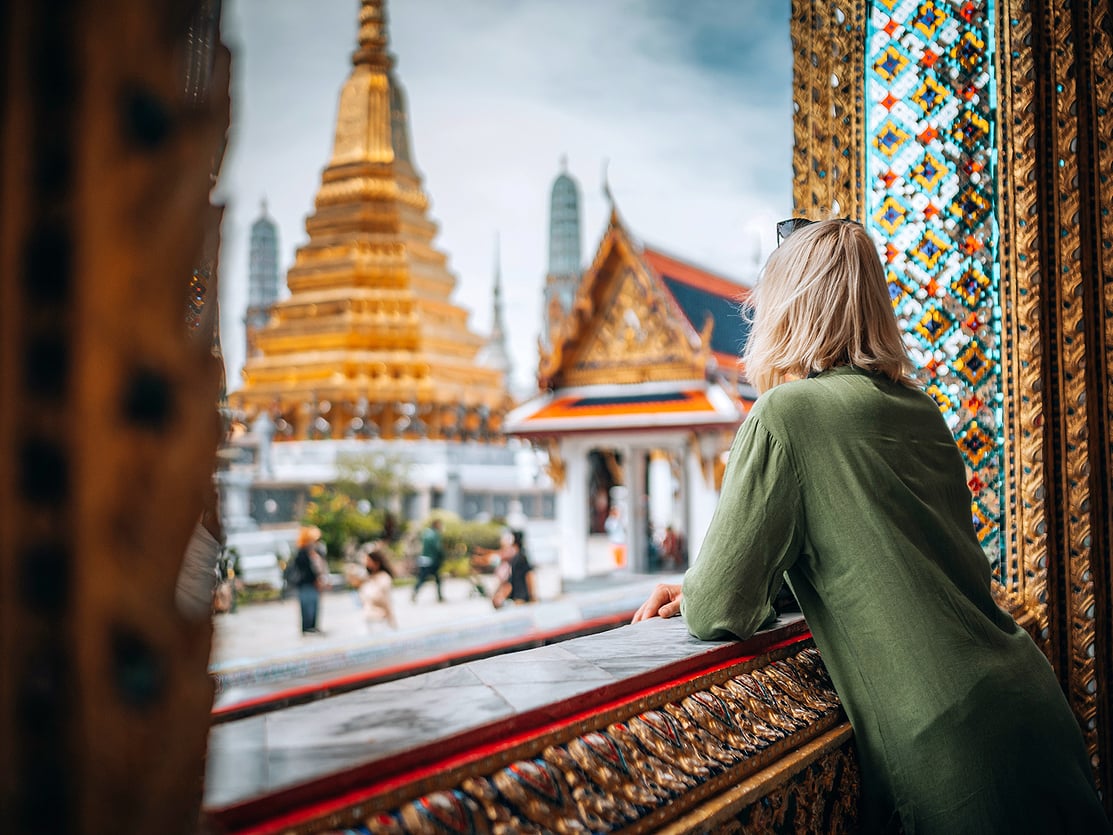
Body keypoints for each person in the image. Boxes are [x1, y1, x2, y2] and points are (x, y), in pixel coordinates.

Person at [632, 218, 1110, 834]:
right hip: (1034, 707)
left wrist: (696, 588)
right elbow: (875, 550)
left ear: (786, 308)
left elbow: (720, 606)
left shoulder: (785, 415)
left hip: (953, 749)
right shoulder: (922, 410)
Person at [291, 525, 325, 634]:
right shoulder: (302, 552)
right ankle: (307, 627)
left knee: (314, 605)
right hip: (306, 583)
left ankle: (313, 625)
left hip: (314, 583)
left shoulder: (316, 551)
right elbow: (304, 569)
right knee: (306, 605)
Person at [491, 529, 535, 609]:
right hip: (522, 599)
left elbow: (512, 580)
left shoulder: (517, 558)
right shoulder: (521, 557)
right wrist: (532, 596)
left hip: (519, 598)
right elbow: (528, 576)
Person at [358, 545, 397, 631]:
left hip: (380, 618)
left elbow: (384, 600)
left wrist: (391, 620)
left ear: (376, 562)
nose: (366, 563)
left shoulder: (384, 578)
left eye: (369, 561)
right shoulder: (368, 578)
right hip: (368, 618)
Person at [411, 518, 445, 603]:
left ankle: (415, 592)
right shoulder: (434, 535)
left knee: (423, 578)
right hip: (432, 560)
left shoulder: (426, 533)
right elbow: (437, 548)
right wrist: (442, 557)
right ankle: (439, 596)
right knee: (434, 578)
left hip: (424, 559)